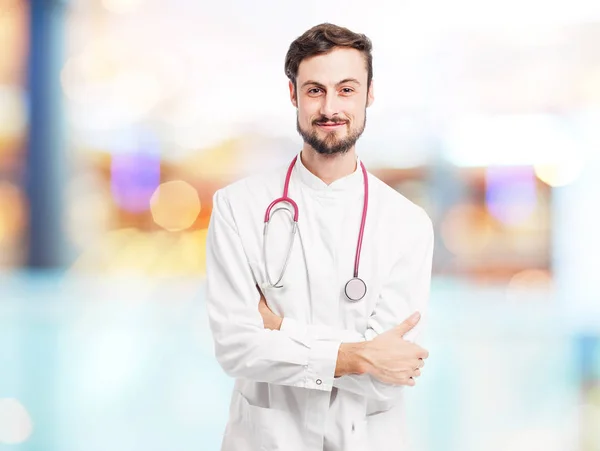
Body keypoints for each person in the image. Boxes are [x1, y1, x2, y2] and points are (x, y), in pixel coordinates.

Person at [206, 22, 434, 451]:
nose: (331, 106)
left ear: (369, 94)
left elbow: (389, 378)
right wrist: (354, 355)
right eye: (315, 90)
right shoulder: (238, 207)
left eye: (346, 89)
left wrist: (279, 329)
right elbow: (236, 348)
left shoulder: (408, 223)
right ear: (293, 94)